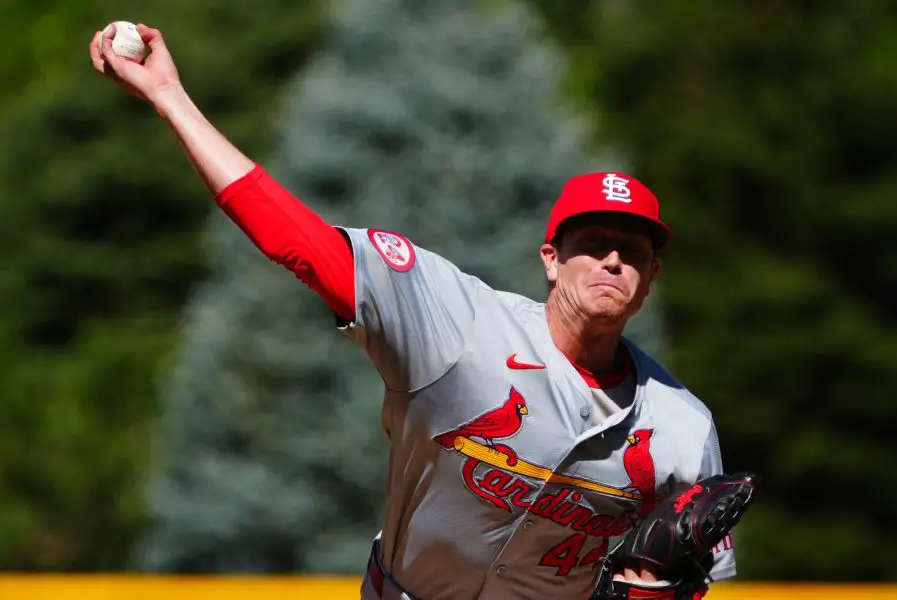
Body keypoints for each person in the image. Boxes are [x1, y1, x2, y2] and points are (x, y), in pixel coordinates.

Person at [89, 23, 739, 600]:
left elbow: (691, 578)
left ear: (650, 277)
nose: (610, 261)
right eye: (590, 243)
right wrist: (170, 98)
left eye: (631, 250)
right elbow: (300, 244)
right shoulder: (459, 327)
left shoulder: (680, 429)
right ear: (550, 257)